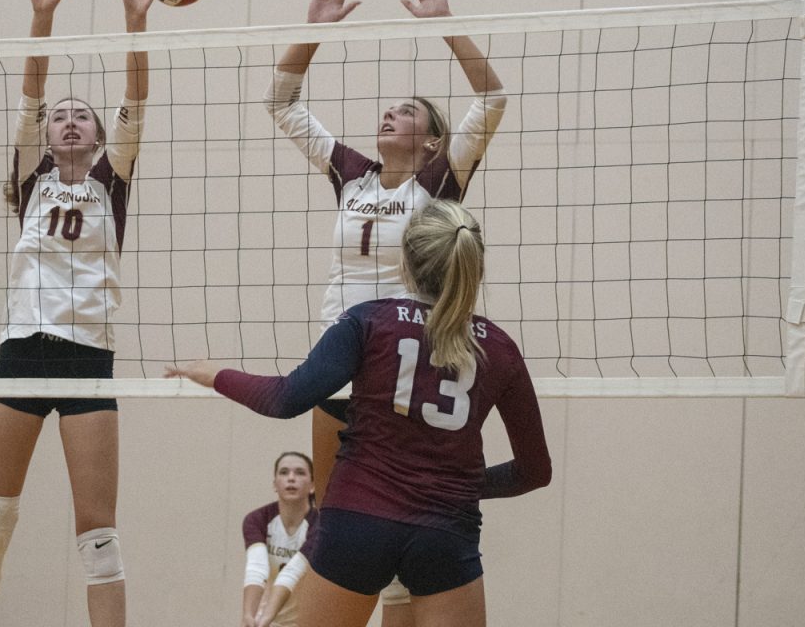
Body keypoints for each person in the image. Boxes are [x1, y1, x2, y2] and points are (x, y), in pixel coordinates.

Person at [168, 199, 551, 627]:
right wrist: (458, 484)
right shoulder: (499, 348)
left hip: (356, 523)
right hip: (444, 533)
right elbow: (535, 471)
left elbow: (285, 399)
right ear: (472, 266)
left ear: (406, 261)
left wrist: (212, 374)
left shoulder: (366, 322)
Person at [265, 0, 506, 624]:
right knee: (332, 527)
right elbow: (280, 105)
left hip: (404, 372)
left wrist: (446, 26)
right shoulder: (352, 174)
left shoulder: (437, 184)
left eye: (407, 110)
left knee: (395, 534)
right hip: (338, 365)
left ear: (430, 139)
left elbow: (492, 100)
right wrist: (311, 32)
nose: (390, 112)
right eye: (390, 107)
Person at [0, 0, 170, 627]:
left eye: (83, 114)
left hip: (87, 358)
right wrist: (41, 17)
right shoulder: (29, 179)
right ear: (46, 137)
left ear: (101, 137)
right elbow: (30, 91)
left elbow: (137, 98)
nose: (70, 118)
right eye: (60, 115)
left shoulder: (113, 182)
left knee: (100, 540)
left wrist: (136, 21)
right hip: (22, 352)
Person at [240, 452, 317, 627]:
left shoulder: (321, 525)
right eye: (284, 472)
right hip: (267, 620)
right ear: (275, 484)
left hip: (307, 621)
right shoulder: (257, 519)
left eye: (299, 472)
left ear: (312, 485)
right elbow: (256, 568)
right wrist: (248, 616)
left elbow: (292, 572)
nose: (291, 478)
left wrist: (266, 618)